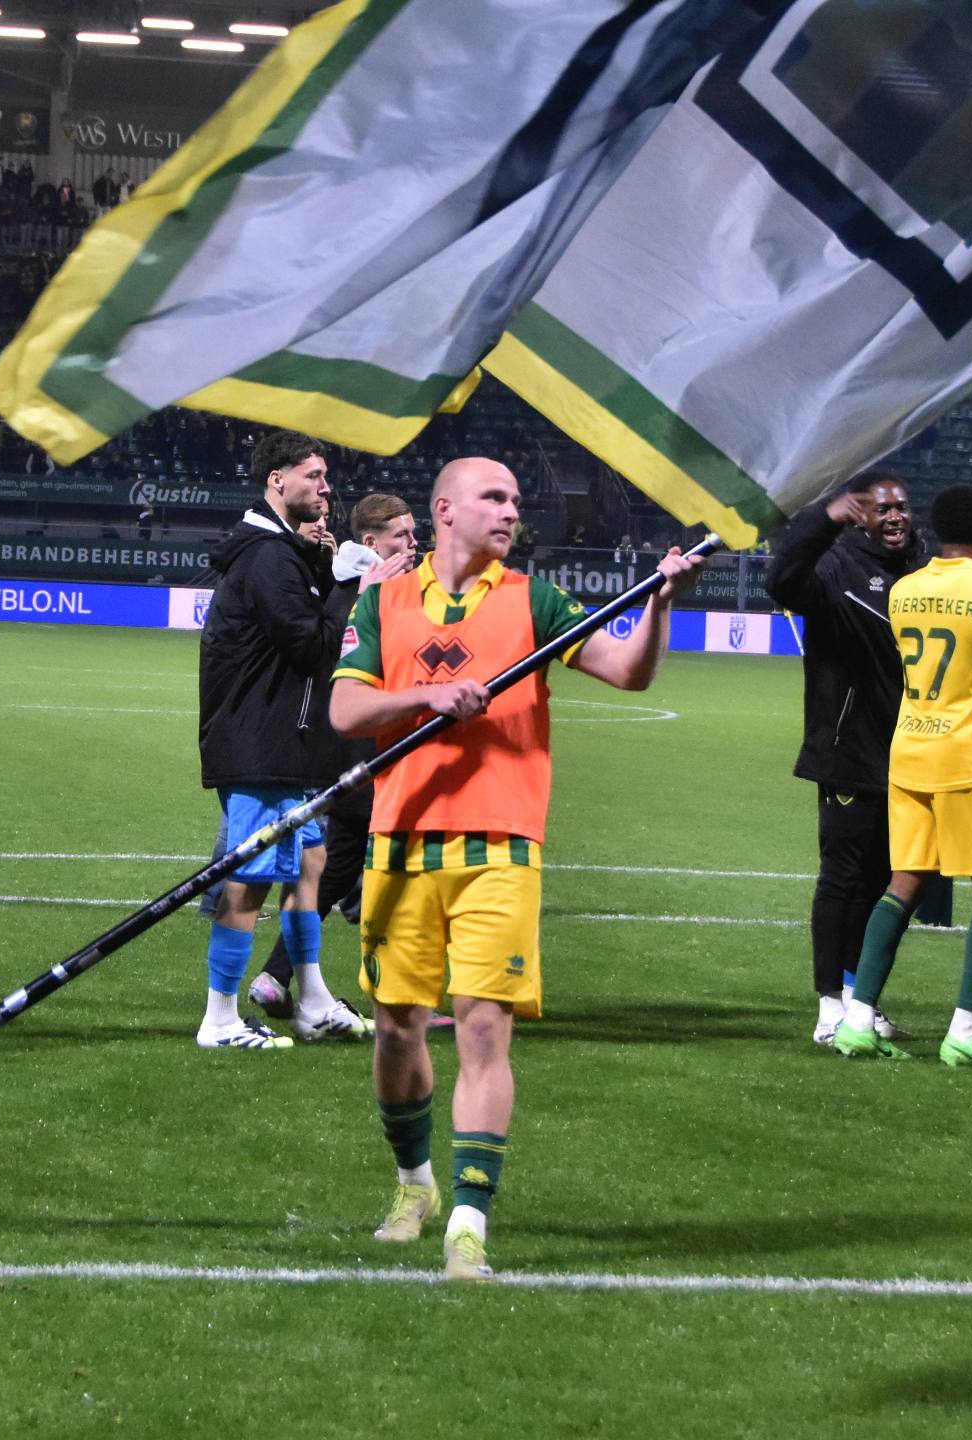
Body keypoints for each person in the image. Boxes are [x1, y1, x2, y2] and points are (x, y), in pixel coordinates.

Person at [331, 457, 703, 1281]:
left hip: (501, 844)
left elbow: (628, 672)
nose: (509, 511)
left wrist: (661, 602)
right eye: (493, 498)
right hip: (402, 839)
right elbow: (345, 709)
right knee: (395, 1027)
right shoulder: (383, 598)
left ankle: (470, 1218)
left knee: (483, 1030)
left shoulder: (534, 599)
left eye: (514, 499)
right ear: (444, 510)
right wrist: (426, 698)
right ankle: (413, 1185)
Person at [834, 484, 972, 1067]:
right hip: (967, 758)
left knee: (904, 881)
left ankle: (856, 1020)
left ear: (933, 530)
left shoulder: (904, 590)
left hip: (909, 753)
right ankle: (965, 1030)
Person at [194, 430, 372, 1049]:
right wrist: (350, 587)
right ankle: (218, 1017)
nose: (325, 488)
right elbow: (312, 646)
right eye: (314, 476)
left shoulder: (281, 551)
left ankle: (314, 1001)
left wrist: (323, 566)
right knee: (251, 879)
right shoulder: (268, 557)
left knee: (311, 868)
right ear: (278, 481)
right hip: (259, 741)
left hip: (286, 741)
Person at [764, 472, 924, 1045]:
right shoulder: (836, 569)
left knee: (887, 884)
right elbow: (781, 579)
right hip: (848, 753)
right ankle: (830, 1006)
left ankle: (863, 1000)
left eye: (902, 506)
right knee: (843, 879)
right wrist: (824, 519)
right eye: (883, 508)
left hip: (911, 757)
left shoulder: (920, 576)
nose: (896, 516)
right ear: (860, 515)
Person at [247, 492, 419, 1020]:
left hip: (346, 746)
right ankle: (398, 991)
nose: (414, 544)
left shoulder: (344, 579)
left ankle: (282, 979)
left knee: (349, 863)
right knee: (367, 862)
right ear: (372, 543)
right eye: (402, 536)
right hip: (352, 748)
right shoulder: (358, 590)